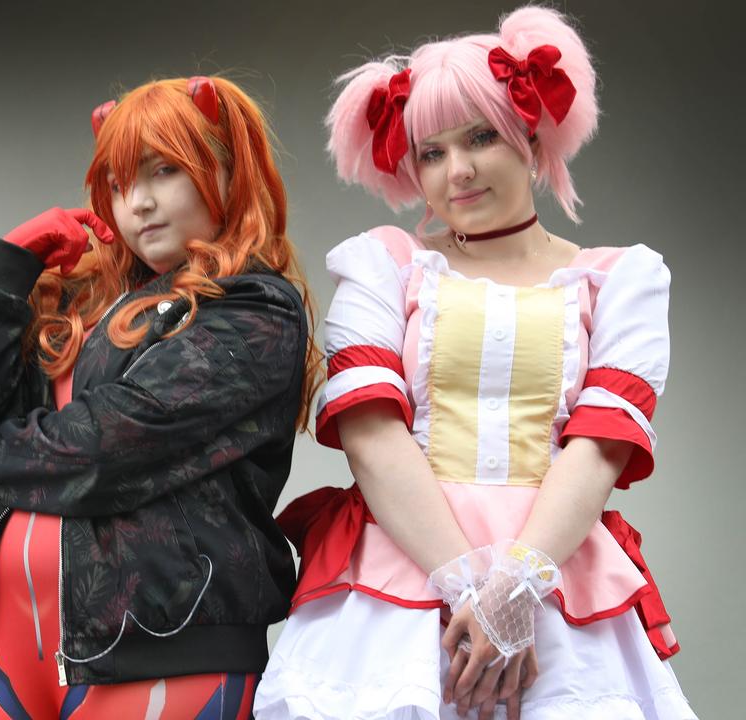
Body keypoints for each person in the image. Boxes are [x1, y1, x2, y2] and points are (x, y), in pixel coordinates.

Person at [255, 7, 696, 719]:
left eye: (480, 137)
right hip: (394, 584)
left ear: (530, 131)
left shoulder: (621, 280)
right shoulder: (383, 267)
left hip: (555, 581)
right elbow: (370, 435)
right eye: (430, 152)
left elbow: (599, 449)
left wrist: (514, 592)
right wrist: (470, 592)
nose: (456, 170)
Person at [0, 75, 322, 718]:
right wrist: (10, 266)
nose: (137, 202)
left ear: (225, 170)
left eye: (164, 171)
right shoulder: (83, 304)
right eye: (118, 181)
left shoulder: (257, 307)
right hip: (15, 645)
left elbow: (108, 446)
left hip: (167, 649)